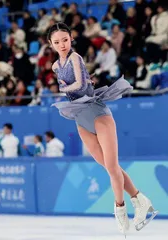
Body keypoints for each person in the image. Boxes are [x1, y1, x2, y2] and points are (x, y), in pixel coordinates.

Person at [47, 22, 158, 236]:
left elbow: (78, 85)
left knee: (113, 166)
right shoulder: (54, 66)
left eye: (65, 40)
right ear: (50, 44)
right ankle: (141, 200)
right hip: (80, 118)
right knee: (109, 167)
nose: (62, 45)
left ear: (71, 39)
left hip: (97, 112)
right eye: (57, 42)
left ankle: (120, 209)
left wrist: (61, 88)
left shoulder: (75, 58)